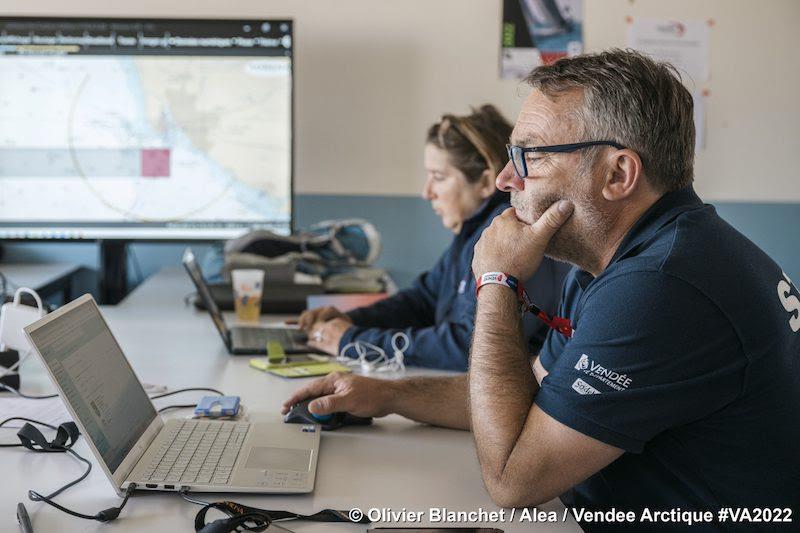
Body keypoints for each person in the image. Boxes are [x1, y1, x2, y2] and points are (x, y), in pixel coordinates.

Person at [283, 50, 800, 528]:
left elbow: (513, 479)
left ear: (618, 173)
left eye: (530, 155)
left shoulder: (662, 286)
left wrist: (496, 280)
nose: (507, 178)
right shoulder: (616, 258)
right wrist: (387, 395)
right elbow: (527, 398)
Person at [298, 105, 570, 370]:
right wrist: (350, 320)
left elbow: (469, 344)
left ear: (487, 182)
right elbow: (423, 300)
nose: (426, 192)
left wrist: (352, 340)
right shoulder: (472, 231)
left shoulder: (510, 233)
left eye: (438, 177)